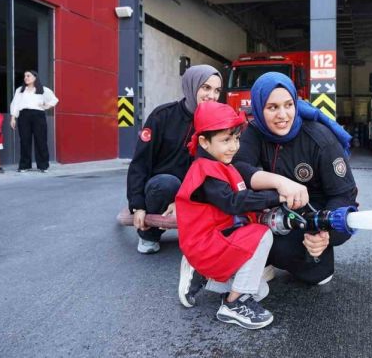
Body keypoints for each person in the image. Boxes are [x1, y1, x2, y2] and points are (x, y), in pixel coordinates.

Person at [232, 72, 357, 286]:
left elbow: (344, 196)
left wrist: (326, 234)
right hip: (273, 206)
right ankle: (261, 260)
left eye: (288, 105)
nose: (283, 115)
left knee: (316, 274)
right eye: (272, 107)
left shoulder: (320, 139)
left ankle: (290, 254)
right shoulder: (254, 131)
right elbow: (238, 168)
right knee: (232, 209)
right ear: (259, 108)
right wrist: (280, 182)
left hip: (313, 212)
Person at [176, 101, 283, 329]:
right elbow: (233, 202)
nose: (233, 146)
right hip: (205, 243)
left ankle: (205, 275)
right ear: (204, 141)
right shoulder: (205, 171)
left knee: (260, 290)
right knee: (262, 234)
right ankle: (232, 304)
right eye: (225, 140)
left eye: (236, 139)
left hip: (217, 238)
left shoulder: (222, 165)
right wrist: (277, 197)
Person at [126, 65, 222, 254]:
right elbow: (140, 163)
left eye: (217, 90)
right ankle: (149, 234)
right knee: (166, 183)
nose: (212, 95)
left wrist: (184, 200)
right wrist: (137, 206)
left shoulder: (217, 123)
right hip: (163, 190)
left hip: (196, 192)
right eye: (206, 88)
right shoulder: (162, 116)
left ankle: (204, 233)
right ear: (191, 86)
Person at [9, 71, 59, 172]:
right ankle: (24, 166)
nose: (26, 78)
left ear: (35, 77)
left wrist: (46, 106)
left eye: (28, 76)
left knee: (41, 140)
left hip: (38, 115)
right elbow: (15, 104)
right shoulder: (20, 90)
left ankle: (43, 166)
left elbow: (54, 100)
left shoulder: (43, 89)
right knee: (24, 141)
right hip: (23, 116)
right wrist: (13, 118)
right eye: (24, 76)